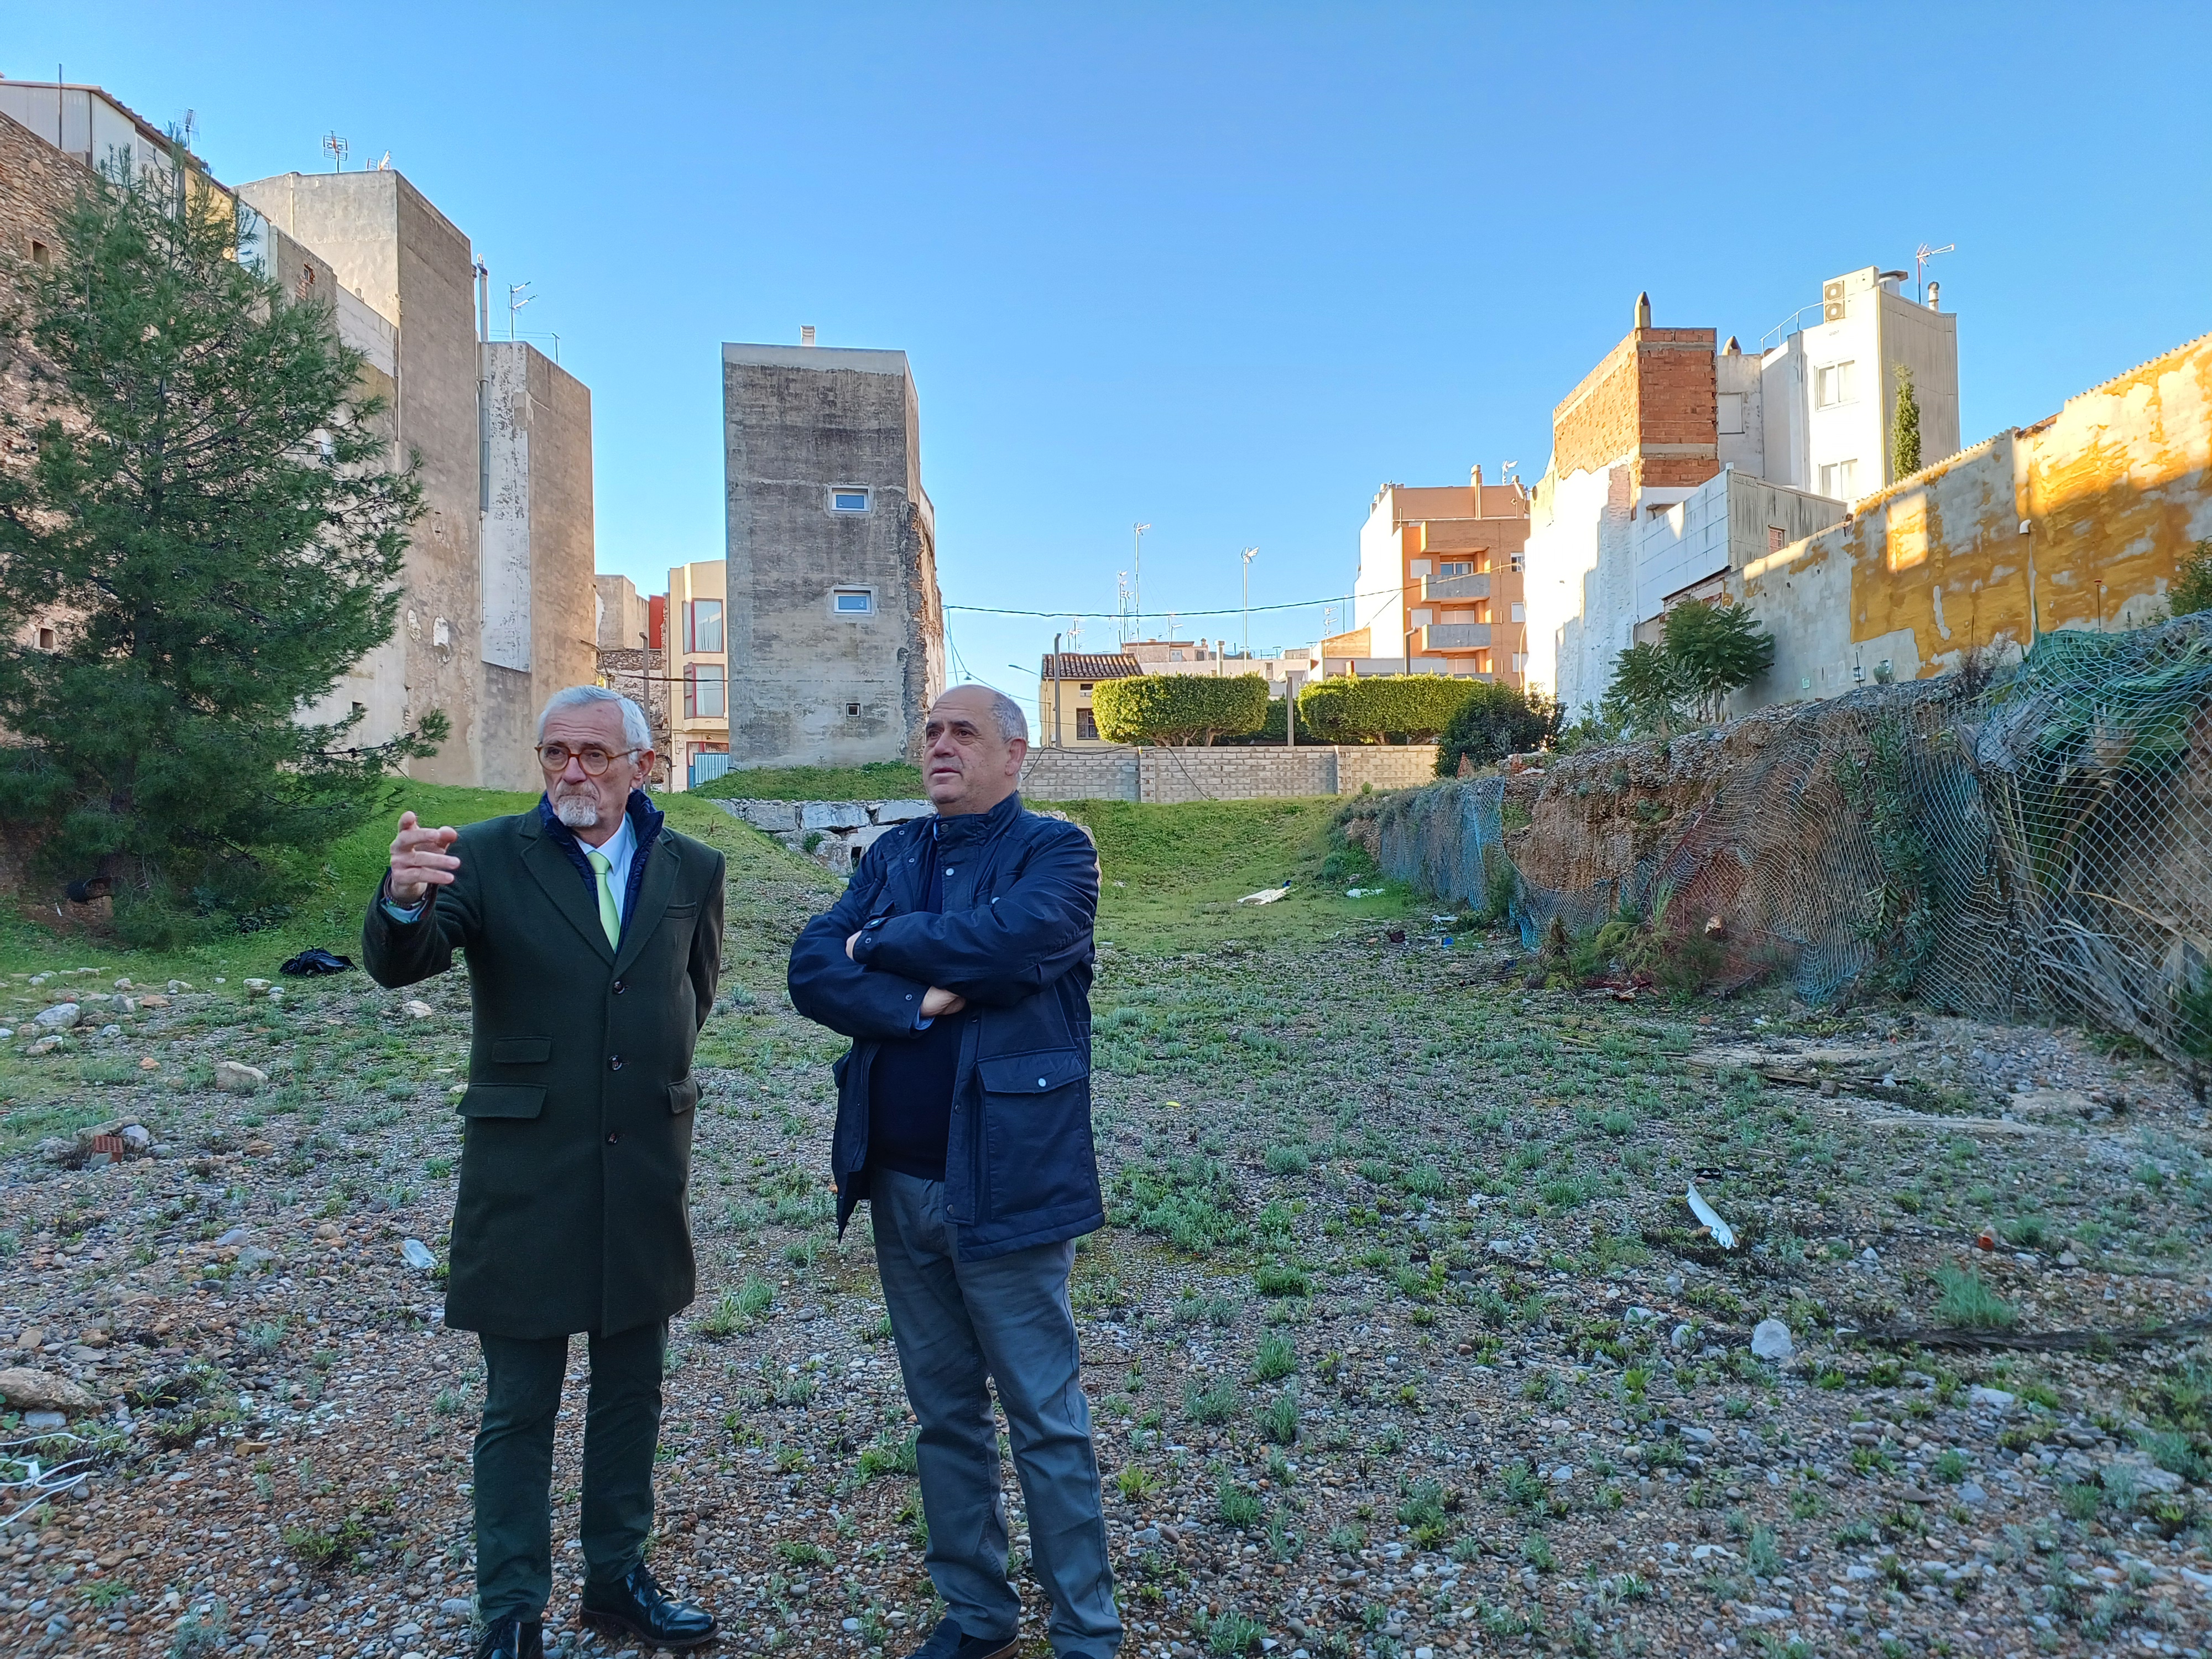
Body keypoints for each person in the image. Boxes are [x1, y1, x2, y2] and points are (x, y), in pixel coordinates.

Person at [364, 686, 724, 1659]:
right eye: (556, 752)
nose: (573, 772)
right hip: (525, 1171)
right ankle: (512, 1610)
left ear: (641, 767)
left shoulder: (693, 866)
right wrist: (402, 900)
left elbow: (692, 994)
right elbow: (406, 962)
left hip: (643, 1168)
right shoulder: (484, 855)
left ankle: (618, 1580)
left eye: (595, 755)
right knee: (519, 1404)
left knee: (631, 1391)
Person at [789, 685, 1119, 1659]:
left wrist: (881, 942)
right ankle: (977, 1615)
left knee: (1044, 1417)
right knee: (943, 1416)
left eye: (962, 732)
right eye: (931, 731)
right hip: (897, 1181)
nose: (939, 745)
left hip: (1010, 1181)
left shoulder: (1057, 853)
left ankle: (1085, 1632)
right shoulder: (893, 855)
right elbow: (812, 968)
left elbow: (1014, 943)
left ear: (1015, 753)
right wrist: (916, 1002)